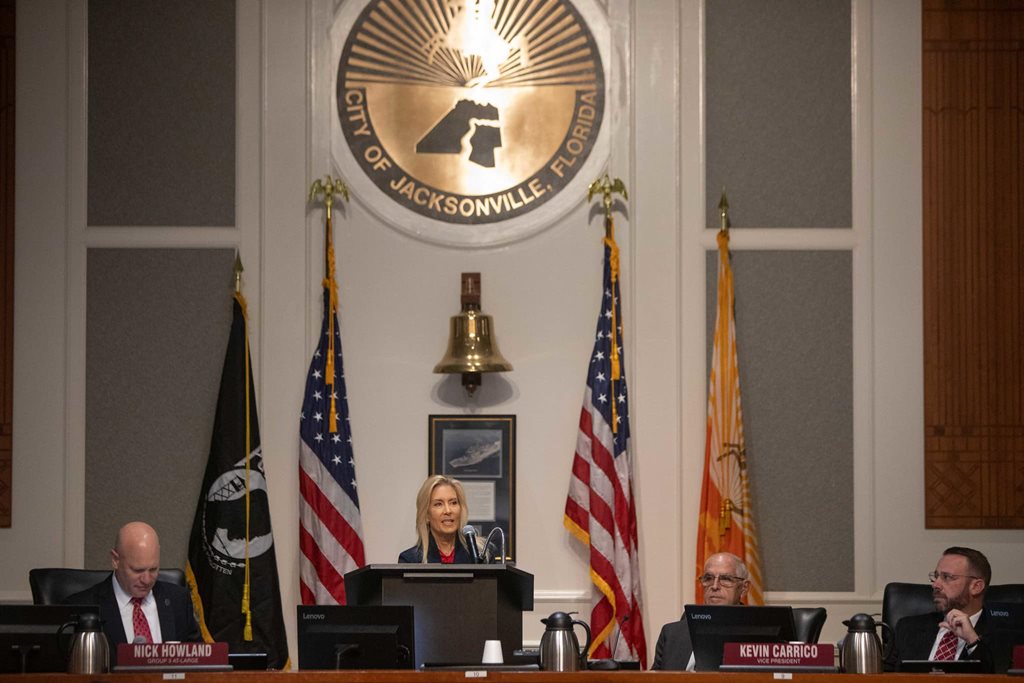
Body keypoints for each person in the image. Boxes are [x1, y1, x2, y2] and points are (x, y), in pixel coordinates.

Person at [63, 521, 201, 657]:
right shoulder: (83, 607)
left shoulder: (179, 600)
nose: (147, 580)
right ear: (115, 560)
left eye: (153, 569)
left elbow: (199, 662)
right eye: (137, 570)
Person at [887, 546, 995, 672]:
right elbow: (882, 677)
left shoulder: (1002, 634)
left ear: (976, 587)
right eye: (936, 576)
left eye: (947, 577)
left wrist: (972, 641)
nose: (935, 585)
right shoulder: (907, 628)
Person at [651, 552, 751, 670]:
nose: (714, 586)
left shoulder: (758, 634)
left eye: (725, 579)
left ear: (744, 588)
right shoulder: (672, 634)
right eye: (708, 578)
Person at [398, 475, 480, 563]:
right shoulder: (410, 560)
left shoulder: (482, 554)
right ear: (426, 515)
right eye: (438, 504)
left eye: (453, 503)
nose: (448, 511)